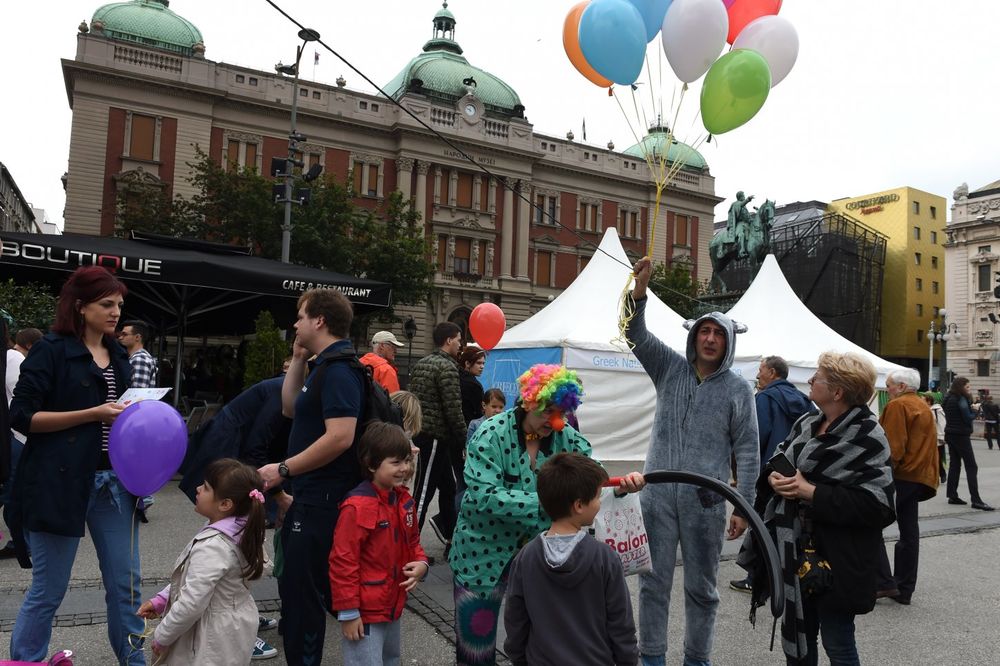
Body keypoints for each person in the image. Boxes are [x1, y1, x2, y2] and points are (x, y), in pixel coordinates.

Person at [448, 364, 644, 665]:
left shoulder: (567, 440)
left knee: (539, 643)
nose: (555, 421)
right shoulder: (490, 435)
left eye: (562, 414)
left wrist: (619, 488)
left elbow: (593, 479)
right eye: (548, 411)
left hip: (536, 561)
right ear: (528, 402)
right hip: (482, 558)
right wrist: (552, 500)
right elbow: (484, 496)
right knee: (476, 650)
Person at [8, 266, 145, 664]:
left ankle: (134, 660)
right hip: (58, 480)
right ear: (81, 307)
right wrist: (92, 413)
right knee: (49, 589)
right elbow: (22, 417)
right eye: (107, 304)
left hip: (114, 482)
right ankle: (26, 661)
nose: (116, 312)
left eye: (119, 304)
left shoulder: (118, 355)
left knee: (127, 585)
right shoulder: (52, 350)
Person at [626, 257, 759, 666]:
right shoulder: (669, 367)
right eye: (705, 330)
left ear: (729, 342)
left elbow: (749, 452)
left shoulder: (739, 389)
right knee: (653, 585)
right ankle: (652, 658)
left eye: (719, 333)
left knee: (702, 589)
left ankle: (696, 660)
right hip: (658, 497)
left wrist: (743, 507)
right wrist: (640, 292)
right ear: (694, 336)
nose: (710, 338)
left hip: (707, 502)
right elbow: (634, 334)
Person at [740, 352, 895, 665]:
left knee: (838, 642)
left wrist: (812, 492)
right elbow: (779, 458)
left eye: (818, 377)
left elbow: (879, 505)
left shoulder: (868, 436)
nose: (809, 381)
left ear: (837, 392)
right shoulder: (808, 422)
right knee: (799, 641)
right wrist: (774, 479)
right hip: (793, 551)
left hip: (840, 558)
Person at [257, 287, 365, 664]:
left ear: (319, 320)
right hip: (310, 497)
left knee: (305, 602)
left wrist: (283, 469)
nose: (295, 323)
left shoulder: (340, 371)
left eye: (301, 316)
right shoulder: (322, 365)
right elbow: (290, 409)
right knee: (302, 594)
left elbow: (340, 437)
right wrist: (298, 358)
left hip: (323, 500)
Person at [503, 452, 638, 666]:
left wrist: (520, 659)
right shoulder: (605, 558)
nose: (599, 503)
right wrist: (627, 661)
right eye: (596, 497)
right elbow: (621, 624)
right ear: (578, 505)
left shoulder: (525, 557)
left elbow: (515, 620)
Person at [138, 458, 267, 664]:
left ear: (225, 504)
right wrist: (162, 600)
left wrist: (162, 636)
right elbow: (196, 579)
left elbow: (191, 603)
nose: (198, 489)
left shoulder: (213, 546)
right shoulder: (242, 530)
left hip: (208, 635)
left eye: (206, 487)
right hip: (232, 627)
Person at [329, 422, 429, 665]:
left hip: (392, 603)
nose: (404, 468)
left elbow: (413, 541)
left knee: (390, 659)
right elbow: (343, 560)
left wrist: (422, 564)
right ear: (372, 464)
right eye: (395, 463)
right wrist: (349, 612)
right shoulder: (357, 506)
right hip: (365, 610)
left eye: (406, 460)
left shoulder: (403, 500)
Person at [731, 355, 811, 593]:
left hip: (769, 473)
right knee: (784, 525)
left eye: (761, 370)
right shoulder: (803, 399)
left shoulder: (765, 398)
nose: (757, 375)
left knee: (760, 523)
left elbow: (754, 439)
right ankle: (784, 574)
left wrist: (745, 472)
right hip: (795, 473)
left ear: (773, 373)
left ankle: (757, 578)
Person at [875, 367, 939, 605]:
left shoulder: (898, 406)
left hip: (900, 475)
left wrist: (879, 474)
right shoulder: (922, 404)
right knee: (909, 532)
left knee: (871, 523)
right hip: (917, 476)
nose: (888, 388)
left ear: (901, 386)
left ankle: (883, 582)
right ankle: (904, 587)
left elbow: (893, 448)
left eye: (890, 385)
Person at [408, 322, 467, 550]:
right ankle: (409, 549)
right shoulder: (447, 368)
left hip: (425, 433)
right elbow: (453, 409)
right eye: (459, 340)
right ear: (449, 340)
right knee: (423, 494)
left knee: (449, 488)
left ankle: (452, 540)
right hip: (435, 437)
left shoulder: (423, 362)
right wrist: (464, 440)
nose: (460, 344)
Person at [2, 327, 42, 557]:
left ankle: (22, 543)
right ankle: (23, 543)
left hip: (12, 436)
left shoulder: (10, 357)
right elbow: (25, 400)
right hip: (16, 437)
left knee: (13, 491)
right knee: (14, 490)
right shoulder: (15, 358)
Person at [942, 377, 994, 510]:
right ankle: (976, 500)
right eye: (967, 387)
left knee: (955, 464)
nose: (969, 389)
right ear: (961, 387)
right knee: (972, 466)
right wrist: (975, 410)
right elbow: (967, 418)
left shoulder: (948, 398)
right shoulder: (961, 399)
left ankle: (952, 495)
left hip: (950, 433)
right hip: (961, 435)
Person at [118, 320, 158, 389]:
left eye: (125, 334)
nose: (120, 337)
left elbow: (137, 394)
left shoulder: (139, 359)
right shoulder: (139, 357)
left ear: (137, 337)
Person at [922, 392, 947, 483]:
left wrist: (941, 437)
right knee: (929, 458)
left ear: (928, 402)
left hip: (937, 439)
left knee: (938, 459)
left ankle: (942, 474)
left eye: (923, 400)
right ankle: (931, 476)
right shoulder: (924, 410)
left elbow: (942, 424)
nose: (921, 401)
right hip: (927, 439)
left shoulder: (937, 410)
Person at [458, 346, 486, 425]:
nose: (482, 367)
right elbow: (480, 412)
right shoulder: (474, 385)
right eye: (479, 363)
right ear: (467, 363)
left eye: (483, 363)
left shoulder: (455, 375)